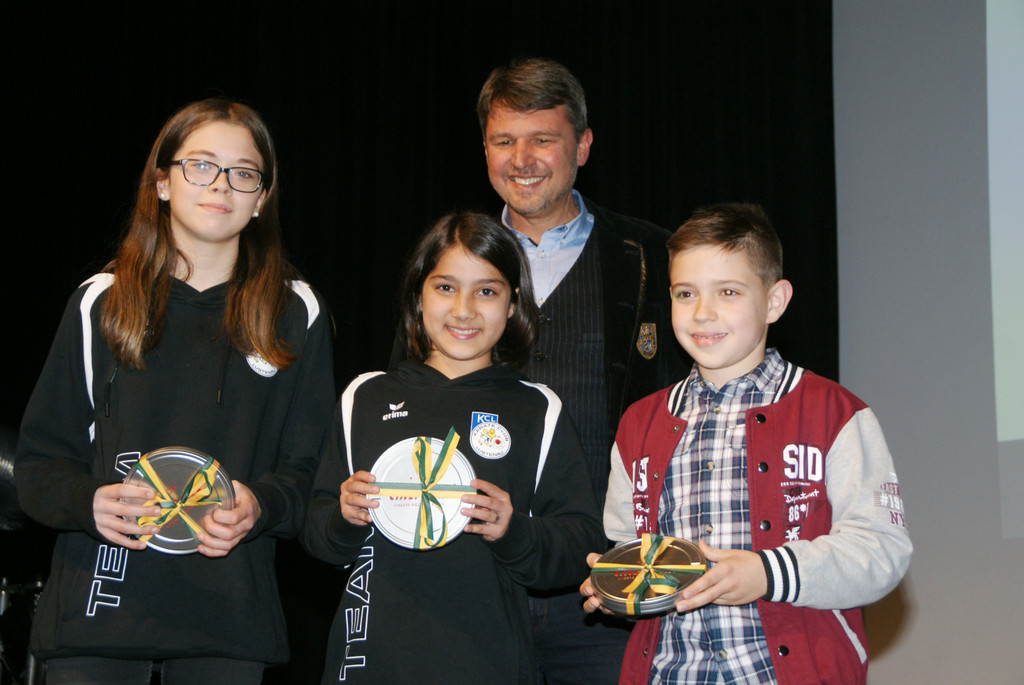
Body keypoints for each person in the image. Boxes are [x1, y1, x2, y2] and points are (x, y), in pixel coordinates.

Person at [14, 98, 335, 683]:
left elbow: (310, 471)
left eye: (243, 172)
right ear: (162, 182)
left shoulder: (295, 311)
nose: (221, 184)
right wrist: (87, 501)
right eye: (201, 165)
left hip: (227, 618)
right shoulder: (101, 302)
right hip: (99, 611)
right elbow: (39, 462)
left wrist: (262, 505)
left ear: (262, 198)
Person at [580, 202, 913, 684]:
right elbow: (630, 545)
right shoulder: (640, 423)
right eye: (685, 293)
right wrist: (619, 586)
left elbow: (881, 550)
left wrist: (767, 573)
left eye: (728, 292)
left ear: (774, 301)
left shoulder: (834, 412)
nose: (703, 313)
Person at [303, 212, 605, 685]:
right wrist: (343, 516)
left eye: (486, 291)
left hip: (488, 663)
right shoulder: (365, 396)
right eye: (445, 287)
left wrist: (514, 532)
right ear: (418, 295)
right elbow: (318, 533)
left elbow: (581, 544)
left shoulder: (537, 408)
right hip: (371, 661)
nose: (464, 310)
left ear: (513, 304)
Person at [476, 56, 688, 684]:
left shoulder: (655, 259)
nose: (522, 159)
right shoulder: (451, 262)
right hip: (476, 585)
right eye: (504, 141)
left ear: (583, 146)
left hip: (608, 591)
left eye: (543, 139)